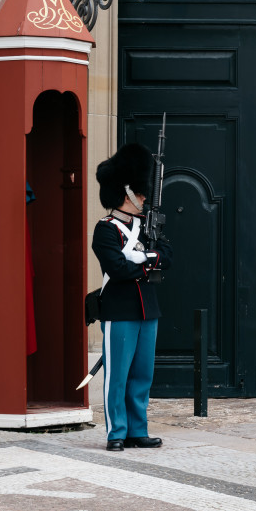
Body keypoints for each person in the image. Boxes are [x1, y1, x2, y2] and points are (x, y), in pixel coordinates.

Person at [92, 142, 172, 451]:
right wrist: (148, 261)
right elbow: (118, 268)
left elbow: (168, 256)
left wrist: (144, 258)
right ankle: (117, 432)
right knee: (118, 376)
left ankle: (138, 429)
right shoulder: (106, 229)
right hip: (120, 309)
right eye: (139, 193)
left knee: (142, 375)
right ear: (124, 193)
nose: (143, 197)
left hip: (147, 309)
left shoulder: (146, 227)